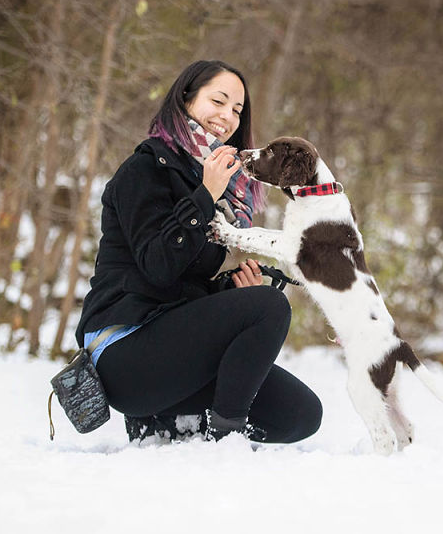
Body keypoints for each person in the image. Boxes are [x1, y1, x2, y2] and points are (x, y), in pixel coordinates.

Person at [75, 60, 322, 444]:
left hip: (174, 353)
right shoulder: (144, 170)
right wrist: (204, 194)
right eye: (218, 101)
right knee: (269, 307)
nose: (227, 117)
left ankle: (175, 423)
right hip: (125, 354)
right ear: (186, 99)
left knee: (301, 414)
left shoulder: (229, 192)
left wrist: (234, 293)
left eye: (237, 110)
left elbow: (191, 288)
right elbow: (158, 268)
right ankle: (226, 439)